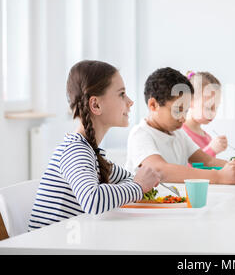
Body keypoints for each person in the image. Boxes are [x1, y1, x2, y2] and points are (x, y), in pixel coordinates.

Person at [28, 60, 160, 230]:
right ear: (96, 105)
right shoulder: (75, 150)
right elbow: (92, 200)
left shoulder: (92, 153)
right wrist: (138, 186)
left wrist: (137, 184)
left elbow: (127, 178)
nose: (130, 101)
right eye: (121, 94)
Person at [125, 67, 235, 184]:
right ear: (153, 105)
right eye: (178, 110)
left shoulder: (178, 134)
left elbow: (208, 161)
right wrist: (219, 177)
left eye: (186, 110)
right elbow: (160, 170)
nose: (183, 118)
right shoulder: (141, 134)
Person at [182, 71, 227, 157]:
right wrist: (211, 150)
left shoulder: (208, 138)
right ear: (189, 101)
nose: (213, 113)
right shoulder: (180, 134)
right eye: (209, 107)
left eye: (216, 107)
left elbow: (208, 168)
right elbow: (184, 167)